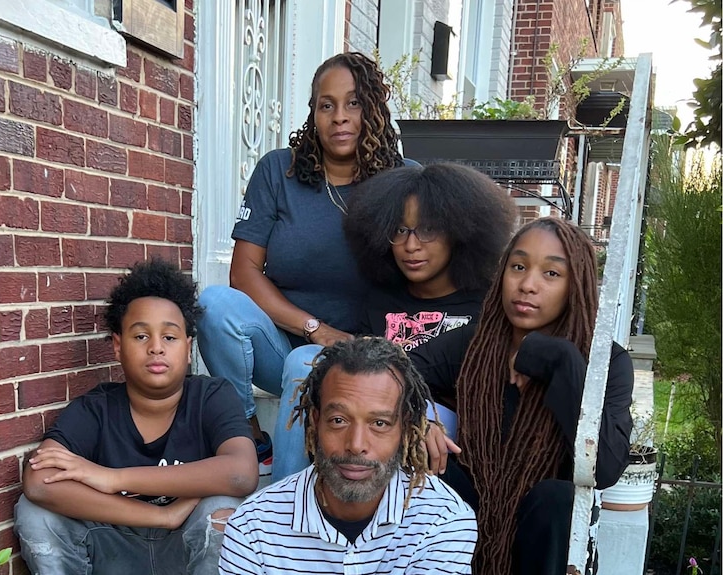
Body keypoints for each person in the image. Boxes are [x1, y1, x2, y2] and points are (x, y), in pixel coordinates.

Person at [196, 52, 410, 480]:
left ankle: (284, 504)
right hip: (283, 342)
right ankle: (247, 437)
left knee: (305, 365)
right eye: (325, 105)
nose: (339, 117)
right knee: (214, 305)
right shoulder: (280, 170)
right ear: (313, 112)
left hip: (359, 352)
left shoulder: (403, 181)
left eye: (353, 103)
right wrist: (314, 327)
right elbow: (244, 273)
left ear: (373, 109)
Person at [411, 217, 634, 574]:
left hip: (543, 539)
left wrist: (563, 360)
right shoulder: (474, 345)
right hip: (469, 516)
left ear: (576, 285)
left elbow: (604, 468)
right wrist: (419, 421)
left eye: (551, 274)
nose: (527, 285)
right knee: (422, 470)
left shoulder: (607, 363)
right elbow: (391, 374)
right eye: (518, 267)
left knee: (559, 498)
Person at [271, 162, 516, 478]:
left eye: (428, 230)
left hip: (452, 434)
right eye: (399, 230)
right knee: (307, 362)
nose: (411, 246)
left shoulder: (486, 302)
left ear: (460, 233)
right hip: (379, 417)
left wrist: (420, 414)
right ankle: (287, 498)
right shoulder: (381, 297)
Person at [13, 259, 258, 575]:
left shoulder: (211, 396)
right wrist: (161, 516)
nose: (156, 348)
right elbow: (40, 482)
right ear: (117, 346)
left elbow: (241, 473)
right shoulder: (96, 408)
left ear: (187, 346)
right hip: (114, 546)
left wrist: (113, 478)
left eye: (169, 337)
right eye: (141, 336)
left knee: (221, 511)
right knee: (35, 513)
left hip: (185, 548)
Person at [218, 337, 477, 575]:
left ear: (405, 429)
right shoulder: (253, 526)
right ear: (315, 422)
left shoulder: (443, 521)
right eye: (339, 420)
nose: (356, 445)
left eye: (379, 424)